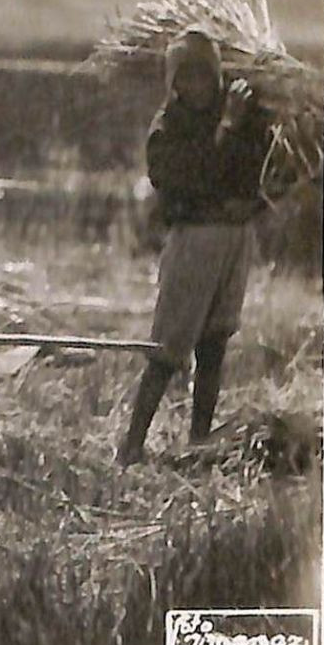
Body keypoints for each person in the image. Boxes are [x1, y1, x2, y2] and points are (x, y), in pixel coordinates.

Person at [117, 30, 272, 466]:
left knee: (215, 342)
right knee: (168, 347)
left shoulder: (241, 116)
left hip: (234, 240)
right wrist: (226, 129)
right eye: (188, 78)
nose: (198, 87)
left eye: (207, 76)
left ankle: (198, 444)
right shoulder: (168, 130)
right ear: (175, 84)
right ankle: (131, 444)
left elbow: (257, 171)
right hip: (194, 242)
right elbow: (191, 178)